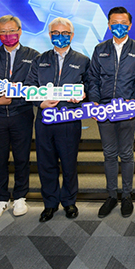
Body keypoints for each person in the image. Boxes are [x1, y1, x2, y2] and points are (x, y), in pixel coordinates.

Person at [0, 15, 39, 221]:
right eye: (3, 31)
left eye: (12, 31)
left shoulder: (34, 56)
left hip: (21, 115)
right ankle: (1, 198)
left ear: (20, 31)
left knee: (22, 158)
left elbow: (36, 85)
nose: (8, 35)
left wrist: (15, 100)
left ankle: (20, 196)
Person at [25, 18, 89, 222]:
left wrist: (84, 96)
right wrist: (40, 103)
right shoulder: (39, 59)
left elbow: (90, 87)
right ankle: (50, 203)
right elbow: (29, 87)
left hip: (69, 119)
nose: (59, 36)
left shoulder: (82, 60)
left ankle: (69, 202)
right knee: (46, 163)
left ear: (71, 35)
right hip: (45, 119)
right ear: (49, 34)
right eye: (55, 33)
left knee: (69, 163)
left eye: (64, 33)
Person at [87, 6, 135, 218]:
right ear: (108, 24)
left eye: (123, 23)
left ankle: (127, 195)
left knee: (127, 153)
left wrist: (134, 103)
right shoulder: (99, 49)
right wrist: (94, 102)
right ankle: (112, 195)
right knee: (109, 153)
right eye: (114, 23)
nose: (119, 27)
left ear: (130, 25)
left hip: (127, 110)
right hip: (104, 109)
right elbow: (92, 78)